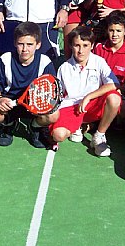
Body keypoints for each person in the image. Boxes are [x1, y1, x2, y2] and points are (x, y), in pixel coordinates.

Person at [0, 21, 57, 147]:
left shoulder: (45, 62)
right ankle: (9, 124)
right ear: (15, 43)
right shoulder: (5, 59)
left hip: (34, 104)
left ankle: (34, 127)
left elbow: (52, 89)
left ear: (38, 45)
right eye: (21, 44)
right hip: (9, 104)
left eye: (29, 44)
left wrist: (39, 103)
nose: (25, 49)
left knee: (54, 114)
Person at [51, 26, 121, 157]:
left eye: (85, 45)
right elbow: (59, 97)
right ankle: (81, 126)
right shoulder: (64, 68)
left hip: (93, 105)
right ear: (71, 46)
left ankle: (99, 136)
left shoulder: (99, 61)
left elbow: (114, 83)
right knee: (58, 135)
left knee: (114, 98)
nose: (81, 50)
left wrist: (88, 97)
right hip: (73, 107)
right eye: (77, 45)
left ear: (92, 45)